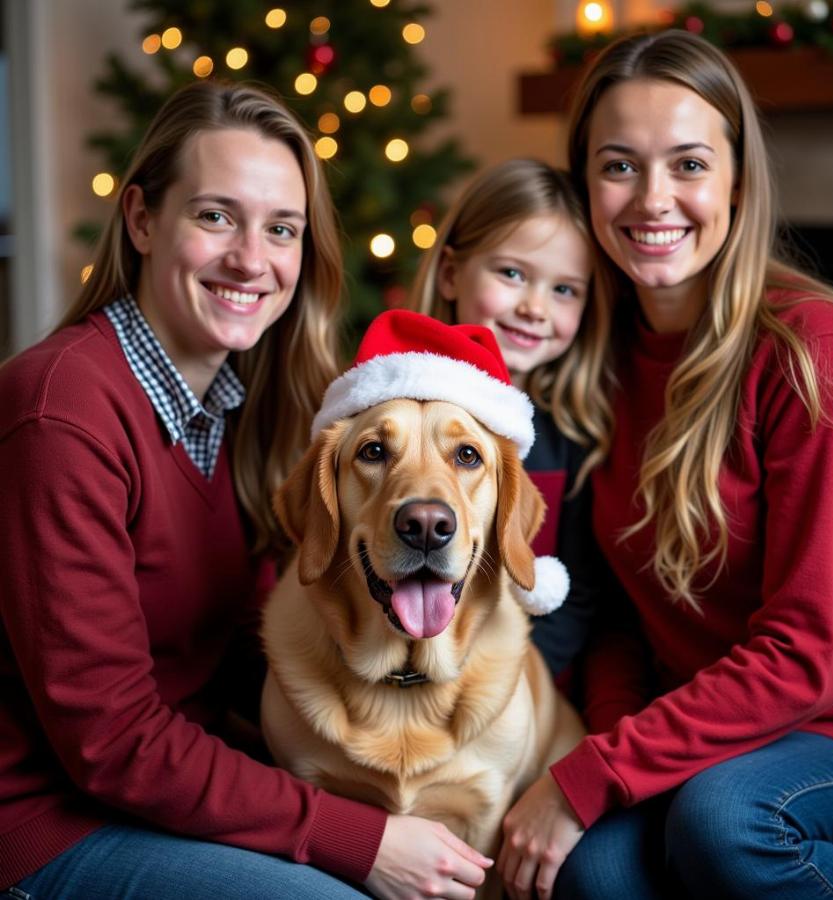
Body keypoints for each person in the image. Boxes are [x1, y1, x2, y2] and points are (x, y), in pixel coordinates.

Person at [0, 80, 490, 900]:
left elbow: (242, 648)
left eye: (282, 229)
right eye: (215, 216)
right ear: (143, 220)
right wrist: (357, 836)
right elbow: (110, 740)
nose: (251, 260)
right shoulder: (62, 411)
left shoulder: (238, 404)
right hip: (48, 824)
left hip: (165, 793)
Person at [496, 29, 833, 900]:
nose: (653, 199)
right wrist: (616, 753)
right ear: (585, 185)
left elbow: (805, 655)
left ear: (737, 183)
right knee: (594, 873)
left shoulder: (810, 349)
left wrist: (588, 777)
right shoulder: (598, 359)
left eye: (687, 164)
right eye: (618, 166)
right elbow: (612, 620)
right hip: (719, 732)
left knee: (730, 820)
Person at [409, 158, 612, 679]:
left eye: (564, 289)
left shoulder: (573, 436)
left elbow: (578, 593)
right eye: (513, 274)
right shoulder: (395, 413)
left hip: (524, 688)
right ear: (451, 273)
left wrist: (512, 689)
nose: (534, 307)